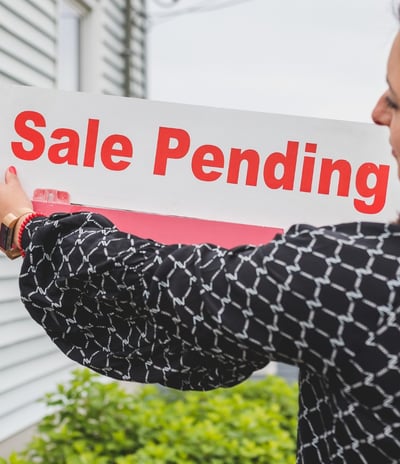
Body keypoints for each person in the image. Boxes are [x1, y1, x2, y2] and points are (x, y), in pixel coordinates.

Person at [1, 20, 400, 464]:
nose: (378, 113)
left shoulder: (352, 271)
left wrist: (23, 227)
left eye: (396, 100)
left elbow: (166, 286)